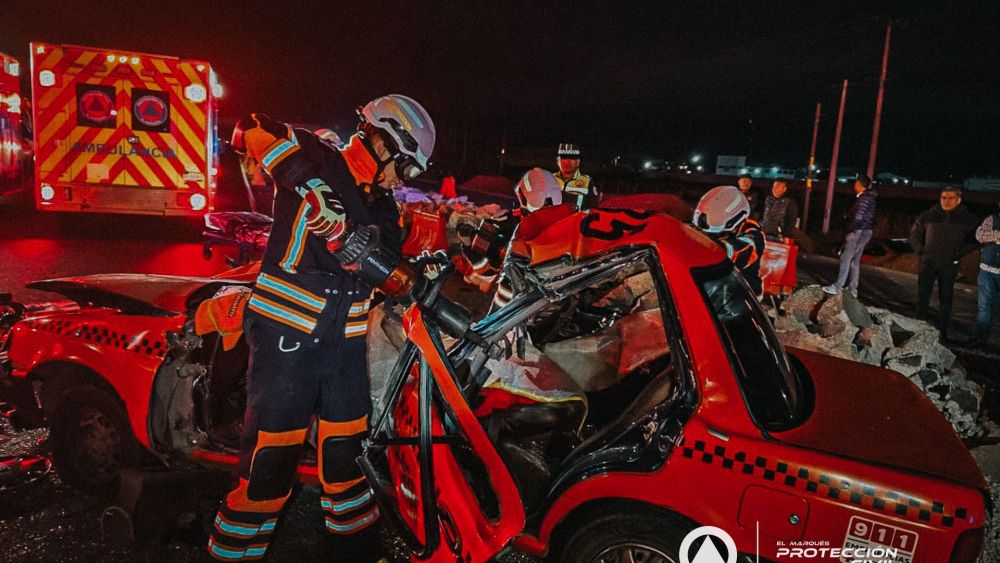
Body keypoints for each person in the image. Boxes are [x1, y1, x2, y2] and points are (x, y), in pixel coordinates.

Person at [207, 95, 435, 563]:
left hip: (344, 343)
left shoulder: (382, 208)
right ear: (382, 139)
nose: (402, 180)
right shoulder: (315, 155)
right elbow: (249, 126)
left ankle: (353, 553)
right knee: (270, 466)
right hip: (287, 337)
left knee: (348, 462)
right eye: (406, 167)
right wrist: (313, 190)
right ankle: (233, 555)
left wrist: (415, 278)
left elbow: (387, 267)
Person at [908, 187, 979, 339]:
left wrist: (958, 254)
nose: (946, 201)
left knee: (946, 298)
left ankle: (942, 332)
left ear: (958, 200)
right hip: (927, 263)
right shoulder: (928, 216)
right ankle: (918, 328)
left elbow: (974, 241)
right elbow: (914, 234)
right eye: (944, 198)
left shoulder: (967, 219)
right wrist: (920, 251)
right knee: (922, 296)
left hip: (949, 264)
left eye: (951, 198)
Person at [693, 185, 766, 296]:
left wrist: (710, 247)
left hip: (744, 295)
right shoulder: (709, 226)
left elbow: (742, 251)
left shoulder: (753, 232)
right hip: (715, 289)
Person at [823, 175, 877, 298]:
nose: (854, 185)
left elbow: (859, 217)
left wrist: (850, 229)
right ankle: (853, 289)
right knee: (855, 260)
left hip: (858, 231)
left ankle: (837, 286)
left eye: (856, 183)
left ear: (861, 185)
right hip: (866, 231)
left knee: (845, 257)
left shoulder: (864, 199)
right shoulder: (869, 198)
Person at [971, 205, 1000, 348]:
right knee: (984, 308)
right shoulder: (992, 219)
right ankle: (979, 339)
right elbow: (980, 236)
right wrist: (997, 235)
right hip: (987, 272)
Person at [553, 143, 598, 210]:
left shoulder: (587, 182)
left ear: (578, 162)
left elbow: (594, 208)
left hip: (577, 219)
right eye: (563, 158)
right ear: (557, 161)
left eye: (572, 158)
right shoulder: (549, 178)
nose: (567, 162)